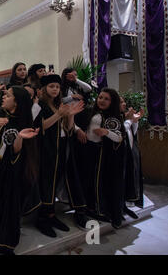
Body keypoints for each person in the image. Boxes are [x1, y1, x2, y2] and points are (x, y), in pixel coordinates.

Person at [36, 74, 89, 238]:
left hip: (62, 147)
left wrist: (71, 114)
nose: (55, 89)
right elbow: (41, 127)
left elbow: (69, 129)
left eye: (57, 87)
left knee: (56, 180)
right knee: (46, 183)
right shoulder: (40, 105)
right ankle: (42, 219)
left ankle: (51, 216)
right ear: (44, 89)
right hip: (47, 150)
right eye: (51, 86)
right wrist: (59, 115)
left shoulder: (59, 104)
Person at [0, 86, 41, 254]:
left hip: (12, 174)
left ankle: (7, 244)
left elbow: (16, 152)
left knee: (11, 208)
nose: (4, 96)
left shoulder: (23, 122)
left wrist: (20, 137)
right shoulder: (1, 116)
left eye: (8, 95)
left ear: (17, 102)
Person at [84, 88, 125, 228]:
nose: (101, 100)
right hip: (88, 150)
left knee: (100, 182)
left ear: (112, 102)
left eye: (106, 99)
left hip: (103, 154)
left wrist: (106, 132)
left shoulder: (114, 117)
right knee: (89, 180)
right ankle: (90, 207)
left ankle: (101, 209)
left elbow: (119, 137)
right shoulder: (91, 111)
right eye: (100, 97)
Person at [120, 97, 144, 218]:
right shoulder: (115, 118)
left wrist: (135, 120)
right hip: (119, 156)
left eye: (124, 101)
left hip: (129, 153)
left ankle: (125, 205)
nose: (124, 104)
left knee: (128, 179)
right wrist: (130, 119)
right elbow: (122, 130)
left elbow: (132, 133)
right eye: (120, 102)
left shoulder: (124, 117)